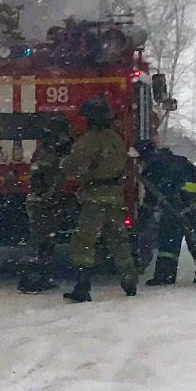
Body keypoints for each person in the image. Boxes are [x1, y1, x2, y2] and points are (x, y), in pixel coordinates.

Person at [59, 94, 137, 303]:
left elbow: (73, 166)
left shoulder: (89, 140)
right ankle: (130, 282)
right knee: (118, 240)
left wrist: (63, 159)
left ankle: (82, 287)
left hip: (94, 197)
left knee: (84, 242)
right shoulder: (116, 139)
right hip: (114, 196)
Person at [138, 141, 196, 286]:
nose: (139, 164)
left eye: (139, 161)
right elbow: (152, 197)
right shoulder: (162, 166)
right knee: (175, 239)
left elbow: (151, 199)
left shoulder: (161, 167)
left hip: (192, 207)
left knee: (189, 239)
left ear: (144, 157)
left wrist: (181, 198)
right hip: (178, 208)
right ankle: (170, 275)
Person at [17, 111, 74, 293]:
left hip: (46, 201)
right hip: (42, 201)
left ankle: (40, 277)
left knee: (46, 241)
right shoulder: (47, 152)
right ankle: (29, 280)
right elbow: (51, 173)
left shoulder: (49, 149)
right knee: (38, 241)